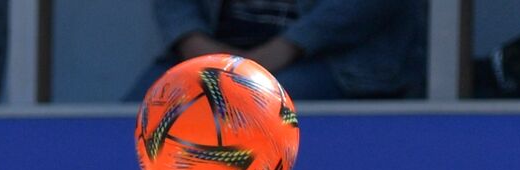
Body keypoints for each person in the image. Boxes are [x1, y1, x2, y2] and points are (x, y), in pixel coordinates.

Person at [126, 0, 427, 102]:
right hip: (211, 50)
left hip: (331, 59)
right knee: (125, 120)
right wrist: (193, 43)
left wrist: (285, 48)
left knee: (242, 110)